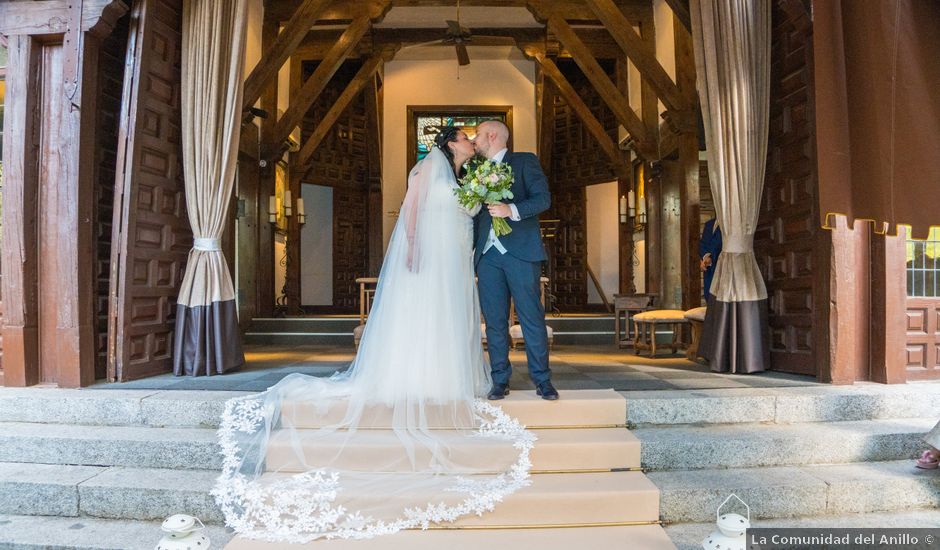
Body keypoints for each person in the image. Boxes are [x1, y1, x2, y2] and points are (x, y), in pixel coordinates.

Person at [211, 127, 534, 543]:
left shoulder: (461, 178)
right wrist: (413, 248)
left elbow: (471, 219)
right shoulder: (426, 169)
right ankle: (415, 377)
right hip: (428, 261)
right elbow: (411, 213)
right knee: (423, 317)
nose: (473, 142)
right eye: (467, 138)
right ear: (452, 143)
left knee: (450, 319)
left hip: (455, 264)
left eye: (475, 138)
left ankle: (445, 377)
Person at [471, 120, 556, 401]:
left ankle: (542, 381)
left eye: (479, 135)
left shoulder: (524, 161)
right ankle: (499, 380)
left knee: (531, 317)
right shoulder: (475, 171)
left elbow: (543, 199)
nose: (475, 140)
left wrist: (512, 209)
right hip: (488, 256)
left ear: (492, 135)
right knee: (494, 322)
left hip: (521, 253)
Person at [699, 217, 722, 301]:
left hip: (722, 265)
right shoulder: (709, 224)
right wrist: (705, 257)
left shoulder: (729, 224)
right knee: (709, 296)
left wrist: (711, 257)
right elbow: (703, 243)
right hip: (709, 268)